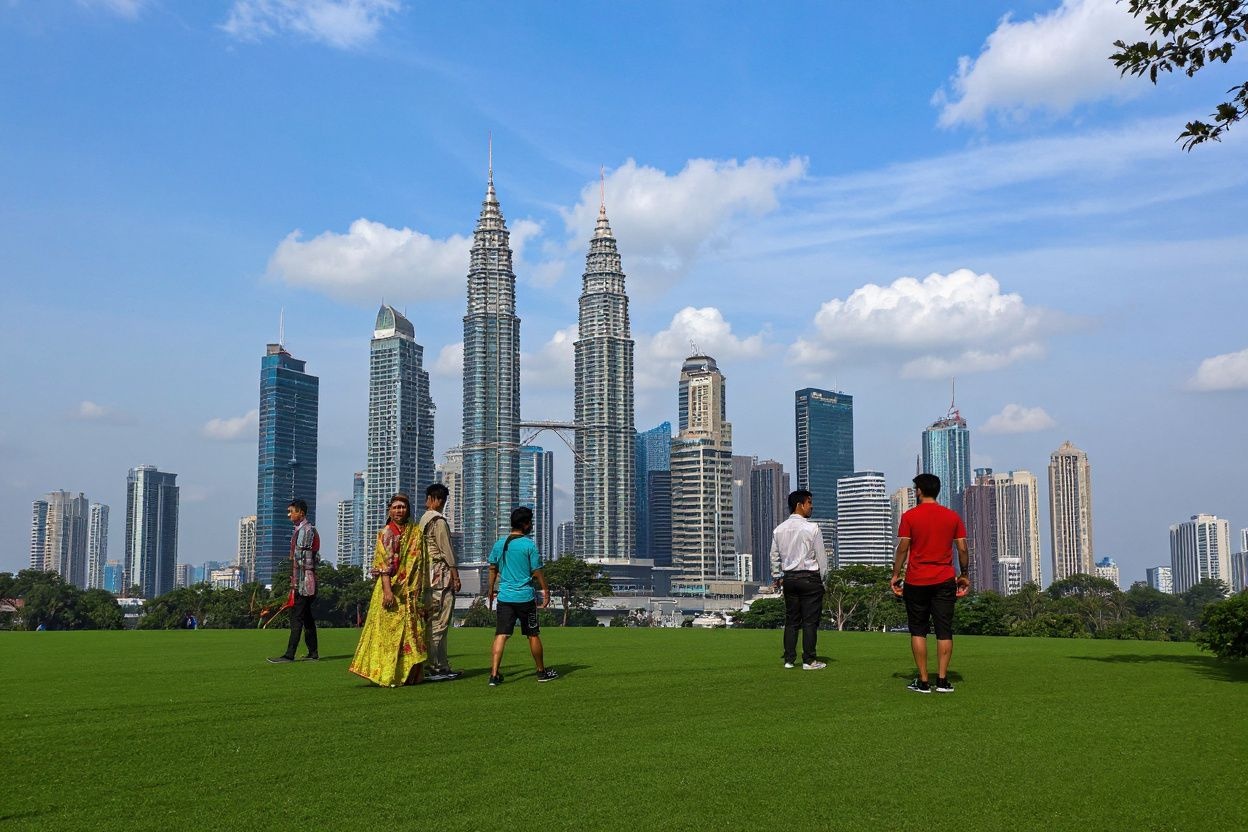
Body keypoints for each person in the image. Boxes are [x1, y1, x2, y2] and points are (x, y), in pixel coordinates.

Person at [891, 473, 970, 694]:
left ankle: (924, 681)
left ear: (919, 491)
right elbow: (962, 548)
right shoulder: (952, 517)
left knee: (918, 631)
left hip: (916, 580)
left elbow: (903, 548)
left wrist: (896, 574)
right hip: (944, 579)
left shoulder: (909, 516)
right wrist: (964, 574)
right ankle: (942, 681)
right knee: (944, 630)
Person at [349, 493, 431, 687]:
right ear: (389, 511)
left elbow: (421, 561)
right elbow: (384, 566)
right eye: (395, 507)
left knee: (412, 632)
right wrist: (387, 591)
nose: (399, 510)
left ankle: (410, 675)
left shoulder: (414, 532)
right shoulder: (386, 533)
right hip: (391, 589)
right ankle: (388, 674)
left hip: (409, 592)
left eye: (402, 507)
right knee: (388, 634)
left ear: (408, 509)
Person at [486, 507, 557, 686]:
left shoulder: (499, 544)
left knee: (501, 635)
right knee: (533, 635)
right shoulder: (529, 545)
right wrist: (546, 591)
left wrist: (490, 590)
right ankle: (541, 672)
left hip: (505, 598)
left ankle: (494, 674)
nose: (531, 525)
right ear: (525, 524)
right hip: (525, 598)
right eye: (530, 522)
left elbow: (492, 568)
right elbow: (537, 571)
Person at [769, 489, 829, 670]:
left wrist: (777, 576)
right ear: (799, 505)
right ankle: (809, 660)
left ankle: (789, 660)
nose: (811, 506)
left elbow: (774, 557)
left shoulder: (779, 529)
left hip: (789, 579)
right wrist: (824, 582)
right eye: (809, 502)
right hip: (810, 579)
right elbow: (822, 558)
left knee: (791, 621)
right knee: (810, 622)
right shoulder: (812, 528)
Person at [268, 499, 320, 664]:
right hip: (305, 579)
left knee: (296, 617)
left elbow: (302, 560)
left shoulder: (306, 531)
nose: (289, 515)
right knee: (307, 617)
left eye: (291, 511)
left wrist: (295, 584)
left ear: (301, 513)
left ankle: (289, 654)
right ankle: (313, 652)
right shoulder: (303, 530)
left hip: (304, 581)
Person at [420, 483, 462, 682]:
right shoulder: (438, 521)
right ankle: (436, 666)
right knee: (440, 623)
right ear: (439, 500)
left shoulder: (422, 521)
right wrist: (455, 575)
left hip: (427, 576)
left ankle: (439, 665)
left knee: (431, 623)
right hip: (440, 576)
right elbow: (447, 551)